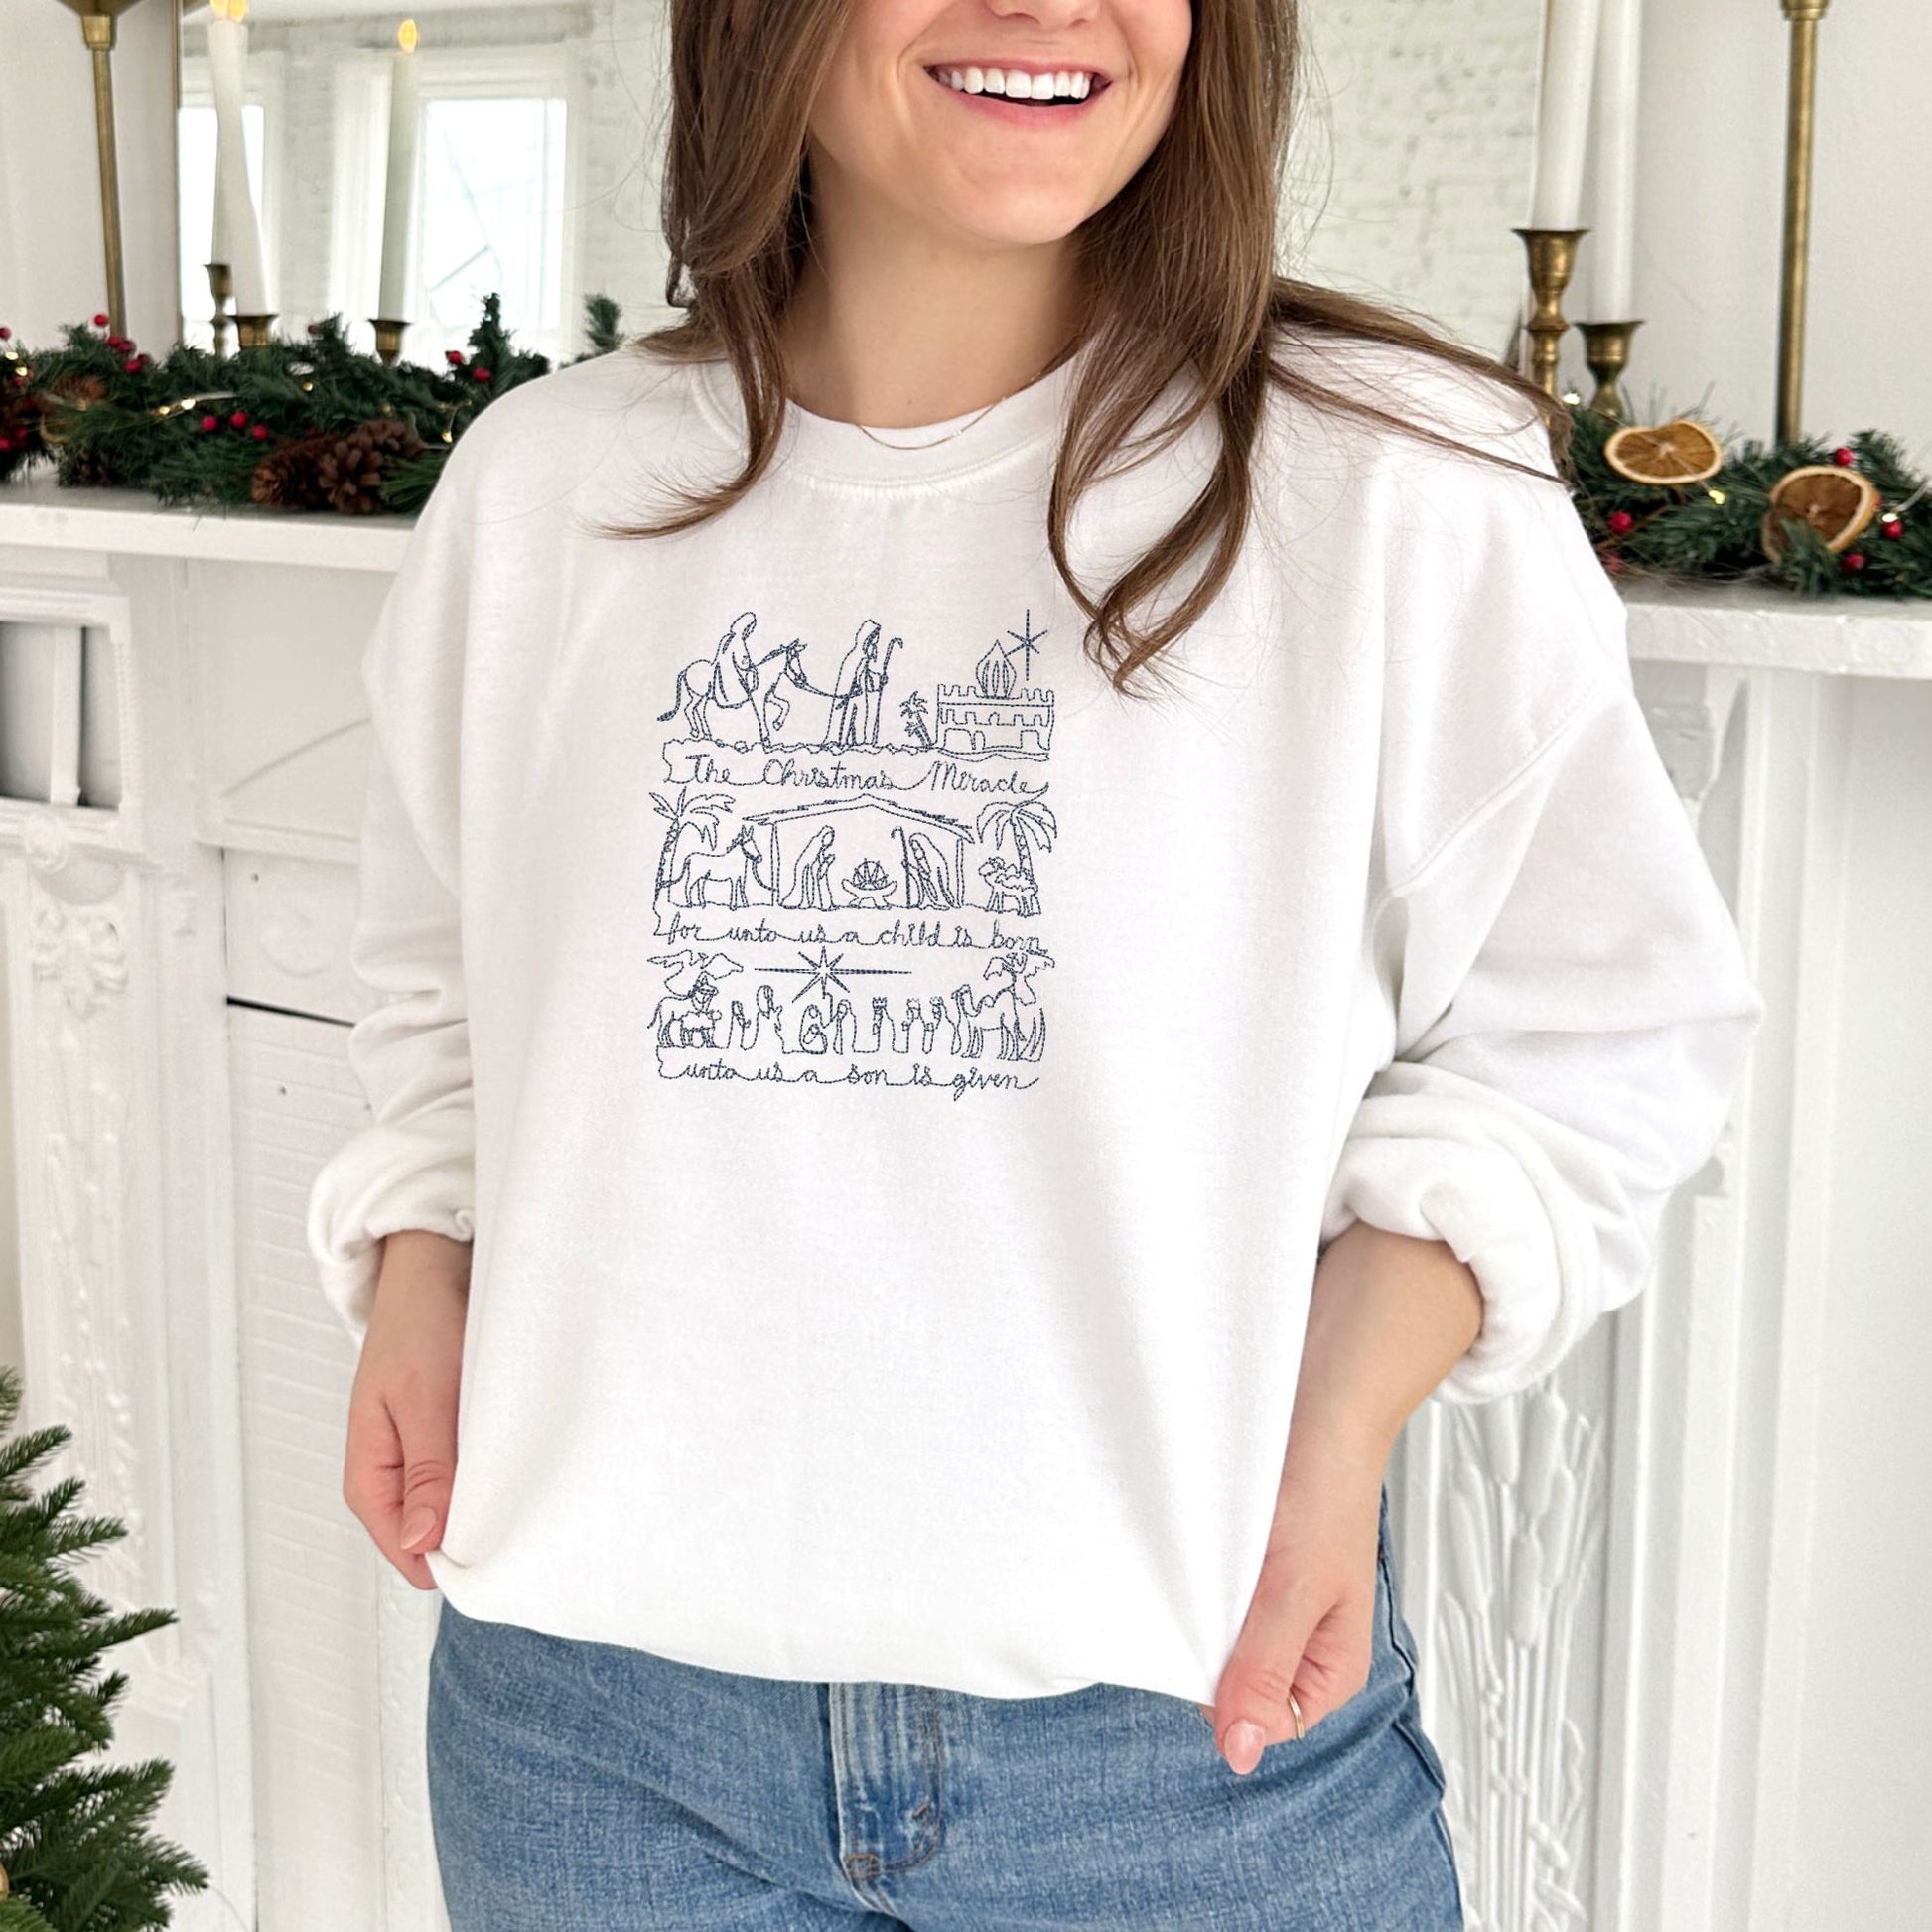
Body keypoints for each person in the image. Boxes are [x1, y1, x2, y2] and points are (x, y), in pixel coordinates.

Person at [307, 2, 1767, 1926]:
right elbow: (445, 985)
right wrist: (425, 1255)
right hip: (596, 1737)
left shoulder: (1397, 486)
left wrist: (1339, 1431)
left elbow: (1602, 1034)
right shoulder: (539, 492)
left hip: (1190, 1757)